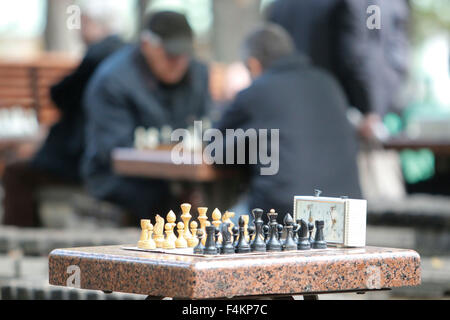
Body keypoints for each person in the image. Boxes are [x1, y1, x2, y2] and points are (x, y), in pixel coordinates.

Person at [216, 24, 362, 220]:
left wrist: (246, 142)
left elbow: (215, 147)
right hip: (347, 214)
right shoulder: (328, 82)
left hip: (284, 213)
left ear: (253, 64)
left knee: (211, 234)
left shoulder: (256, 92)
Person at [2, 3, 125, 227]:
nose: (78, 28)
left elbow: (60, 95)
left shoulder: (98, 56)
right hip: (103, 153)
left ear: (92, 23)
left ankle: (21, 242)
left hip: (82, 157)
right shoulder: (124, 55)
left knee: (15, 172)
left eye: (82, 21)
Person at [81, 11, 211, 221]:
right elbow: (114, 151)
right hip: (120, 178)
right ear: (146, 45)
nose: (178, 61)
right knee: (168, 203)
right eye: (170, 54)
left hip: (182, 176)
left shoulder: (198, 73)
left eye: (184, 54)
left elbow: (207, 128)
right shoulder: (113, 81)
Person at [267, 0, 410, 140]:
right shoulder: (366, 5)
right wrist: (369, 109)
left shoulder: (279, 5)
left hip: (293, 114)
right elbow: (359, 55)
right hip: (346, 119)